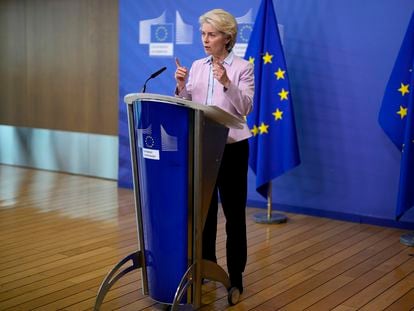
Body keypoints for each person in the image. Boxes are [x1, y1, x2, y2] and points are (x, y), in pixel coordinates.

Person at [174, 9, 254, 294]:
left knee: (234, 215)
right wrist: (181, 88)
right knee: (203, 213)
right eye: (203, 34)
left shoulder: (243, 67)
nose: (205, 40)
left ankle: (236, 276)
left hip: (232, 149)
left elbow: (244, 108)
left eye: (211, 35)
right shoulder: (197, 65)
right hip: (202, 147)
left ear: (227, 37)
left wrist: (226, 83)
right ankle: (206, 266)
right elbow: (188, 103)